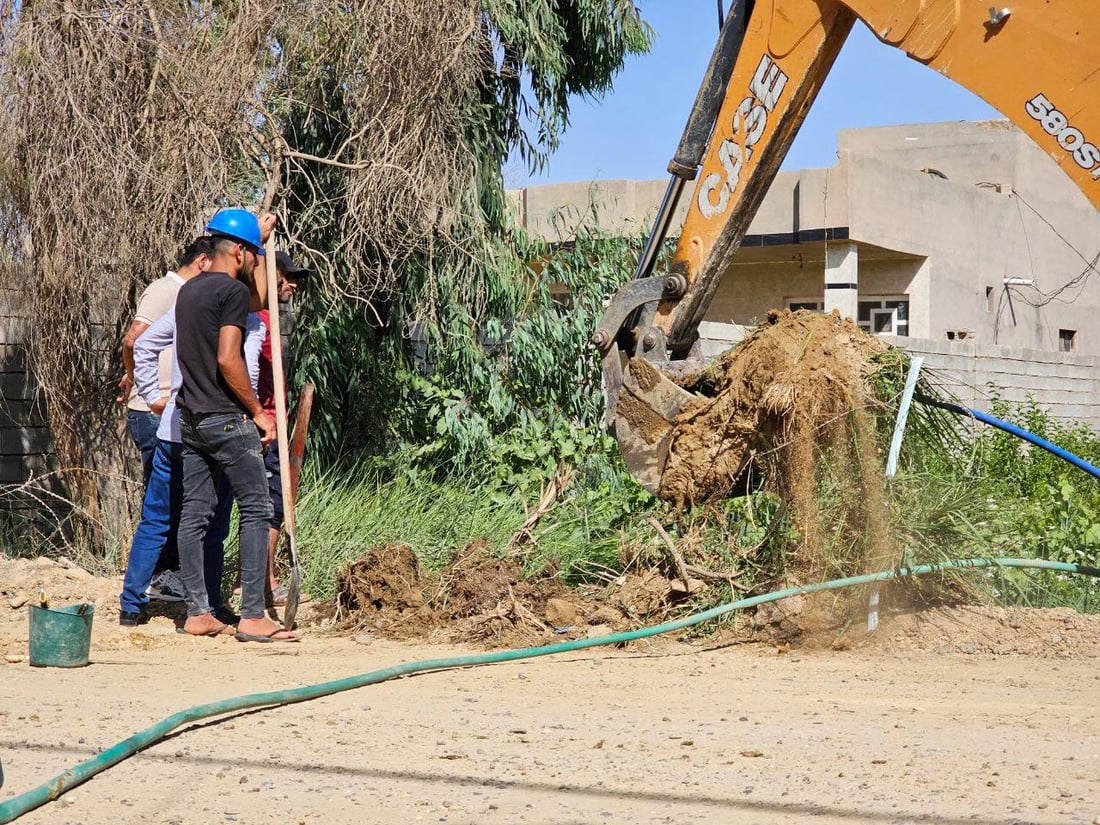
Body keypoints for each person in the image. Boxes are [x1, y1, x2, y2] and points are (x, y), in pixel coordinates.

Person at [120, 256, 267, 627]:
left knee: (169, 519)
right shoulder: (245, 320)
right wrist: (256, 413)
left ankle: (136, 606)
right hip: (217, 427)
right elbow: (243, 371)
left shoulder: (186, 302)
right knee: (217, 522)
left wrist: (154, 397)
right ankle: (218, 607)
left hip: (178, 425)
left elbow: (143, 344)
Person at [174, 208, 297, 642]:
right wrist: (258, 411)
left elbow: (259, 300)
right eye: (252, 255)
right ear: (241, 253)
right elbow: (229, 358)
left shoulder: (189, 290)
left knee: (195, 514)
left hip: (192, 418)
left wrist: (258, 240)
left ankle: (197, 613)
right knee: (257, 508)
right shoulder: (228, 290)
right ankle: (253, 616)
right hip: (226, 418)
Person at [117, 238, 212, 603]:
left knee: (172, 499)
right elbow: (133, 340)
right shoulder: (166, 290)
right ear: (202, 261)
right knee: (163, 504)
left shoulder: (187, 294)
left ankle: (164, 578)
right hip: (153, 412)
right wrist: (143, 387)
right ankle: (157, 579)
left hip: (165, 410)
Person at [256, 251, 311, 606]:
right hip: (264, 427)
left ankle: (257, 580)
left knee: (271, 503)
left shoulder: (270, 320)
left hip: (274, 422)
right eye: (286, 277)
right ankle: (264, 584)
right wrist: (261, 417)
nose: (292, 284)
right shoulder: (260, 321)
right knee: (270, 504)